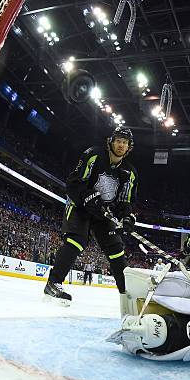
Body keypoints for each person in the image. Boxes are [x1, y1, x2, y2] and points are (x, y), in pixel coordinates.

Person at [43, 127, 138, 305]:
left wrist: (128, 217)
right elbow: (73, 183)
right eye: (118, 140)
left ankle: (127, 297)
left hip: (103, 213)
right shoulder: (93, 155)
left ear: (128, 147)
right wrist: (87, 196)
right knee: (76, 241)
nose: (121, 145)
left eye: (125, 142)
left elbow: (127, 201)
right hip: (80, 206)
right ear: (111, 141)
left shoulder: (130, 173)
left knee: (117, 251)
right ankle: (53, 283)